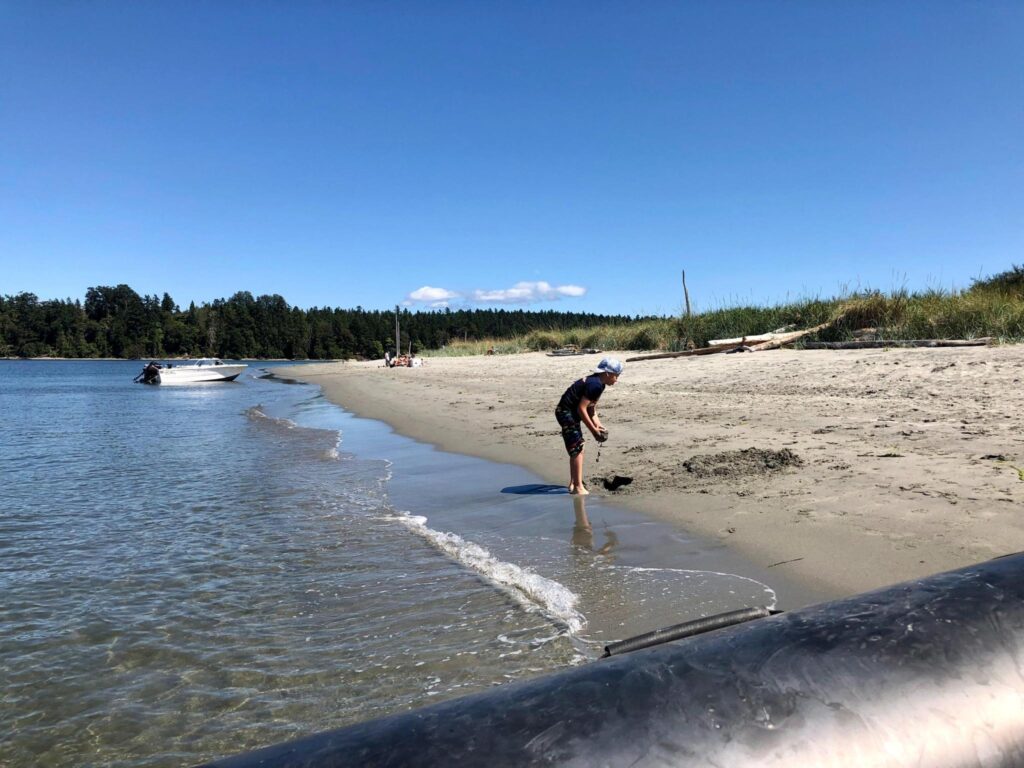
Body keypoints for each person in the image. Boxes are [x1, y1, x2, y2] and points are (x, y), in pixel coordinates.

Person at [555, 357, 623, 495]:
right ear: (608, 373)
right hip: (566, 412)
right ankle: (578, 487)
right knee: (577, 448)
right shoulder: (595, 384)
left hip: (572, 412)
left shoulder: (600, 384)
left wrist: (598, 426)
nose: (617, 380)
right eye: (616, 376)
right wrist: (593, 431)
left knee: (579, 447)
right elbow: (581, 409)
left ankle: (574, 483)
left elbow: (591, 409)